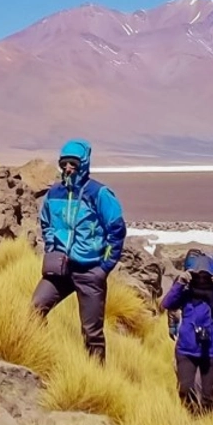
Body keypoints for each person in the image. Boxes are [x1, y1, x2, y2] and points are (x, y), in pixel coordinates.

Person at [30, 140, 126, 363]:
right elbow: (46, 222)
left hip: (90, 271)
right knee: (34, 309)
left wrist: (104, 267)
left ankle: (96, 375)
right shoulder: (54, 193)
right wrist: (52, 247)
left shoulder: (99, 194)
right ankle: (45, 358)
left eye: (73, 163)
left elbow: (117, 230)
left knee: (91, 333)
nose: (68, 168)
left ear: (83, 164)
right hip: (60, 268)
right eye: (64, 163)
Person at [161, 263, 213, 412]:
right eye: (198, 276)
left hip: (212, 351)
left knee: (210, 395)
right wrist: (180, 283)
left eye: (205, 276)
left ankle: (208, 421)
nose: (201, 279)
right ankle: (192, 416)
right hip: (187, 349)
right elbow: (167, 303)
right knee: (185, 389)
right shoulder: (187, 292)